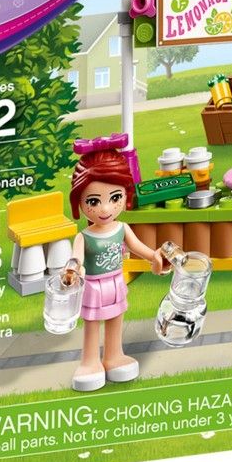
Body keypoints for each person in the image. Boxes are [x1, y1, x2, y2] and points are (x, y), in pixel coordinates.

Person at [68, 144, 165, 391]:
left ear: (125, 195)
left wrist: (154, 256)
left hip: (116, 282)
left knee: (115, 320)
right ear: (79, 202)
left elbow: (138, 247)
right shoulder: (84, 236)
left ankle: (113, 355)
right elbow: (76, 258)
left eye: (115, 198)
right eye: (93, 201)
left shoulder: (122, 228)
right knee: (92, 325)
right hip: (93, 286)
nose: (106, 209)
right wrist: (73, 270)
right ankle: (90, 361)